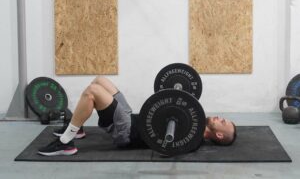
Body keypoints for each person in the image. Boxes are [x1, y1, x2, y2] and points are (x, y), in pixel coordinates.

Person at [38, 76, 237, 156]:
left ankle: (66, 142)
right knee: (100, 80)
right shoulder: (195, 120)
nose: (220, 117)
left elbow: (166, 149)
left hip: (126, 131)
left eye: (223, 122)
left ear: (218, 135)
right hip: (131, 117)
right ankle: (78, 128)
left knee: (93, 91)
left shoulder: (192, 141)